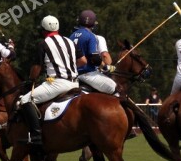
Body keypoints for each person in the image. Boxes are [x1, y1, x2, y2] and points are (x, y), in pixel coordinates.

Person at [18, 15, 79, 150]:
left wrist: (31, 80)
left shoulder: (43, 43)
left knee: (26, 100)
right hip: (75, 83)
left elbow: (37, 67)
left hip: (57, 84)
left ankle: (36, 137)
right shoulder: (69, 41)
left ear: (43, 30)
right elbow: (83, 61)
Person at [69, 10, 116, 95]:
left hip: (73, 75)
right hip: (88, 74)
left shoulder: (71, 36)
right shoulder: (91, 36)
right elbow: (94, 58)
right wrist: (105, 67)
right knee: (117, 88)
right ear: (93, 24)